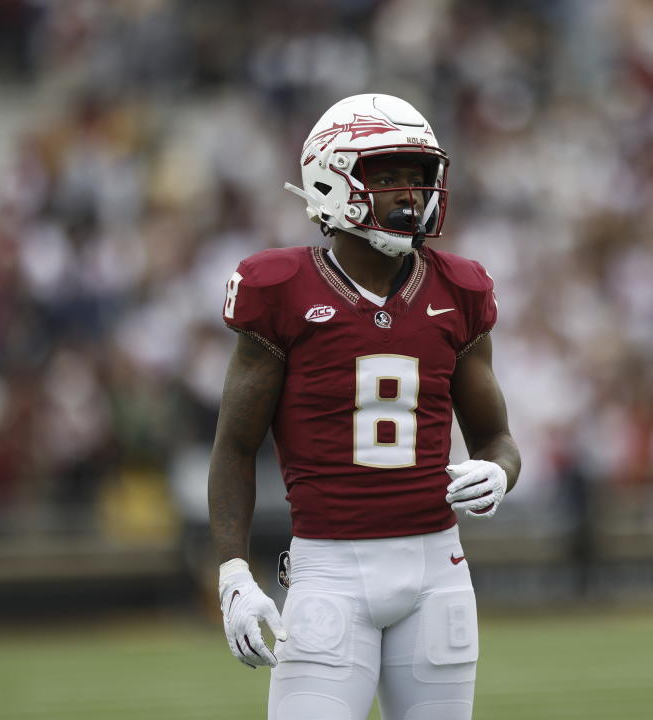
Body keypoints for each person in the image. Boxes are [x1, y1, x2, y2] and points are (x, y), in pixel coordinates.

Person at [208, 93, 521, 720]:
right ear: (331, 178)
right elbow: (236, 448)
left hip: (439, 571)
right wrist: (233, 574)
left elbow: (497, 440)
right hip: (330, 572)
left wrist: (499, 474)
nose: (410, 193)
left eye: (418, 175)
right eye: (387, 176)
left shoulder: (458, 289)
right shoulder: (282, 290)